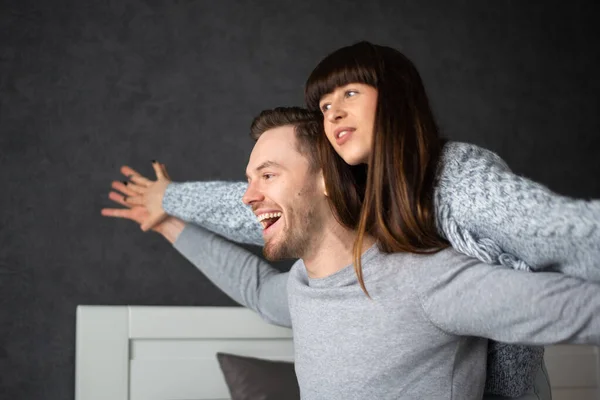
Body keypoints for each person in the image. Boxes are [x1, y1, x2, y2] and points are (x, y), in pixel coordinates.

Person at [112, 42, 600, 397]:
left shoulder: (444, 223)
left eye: (266, 174)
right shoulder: (308, 282)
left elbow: (561, 251)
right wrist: (169, 215)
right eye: (326, 105)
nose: (247, 196)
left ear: (327, 177)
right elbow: (259, 276)